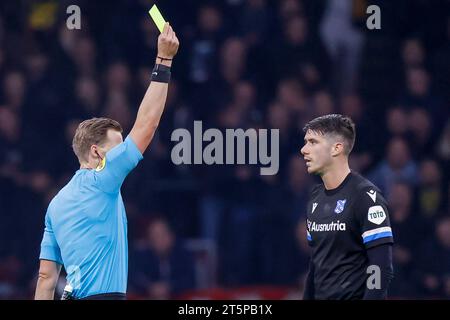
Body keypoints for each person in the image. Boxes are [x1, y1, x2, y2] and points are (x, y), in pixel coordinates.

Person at [34, 23, 179, 300]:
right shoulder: (103, 178)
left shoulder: (56, 204)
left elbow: (45, 278)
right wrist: (164, 60)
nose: (123, 153)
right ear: (97, 153)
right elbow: (147, 125)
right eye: (117, 148)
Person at [300, 114, 394, 300]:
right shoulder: (315, 198)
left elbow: (381, 267)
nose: (304, 149)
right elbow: (316, 264)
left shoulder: (366, 197)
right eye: (305, 142)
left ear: (336, 148)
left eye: (313, 142)